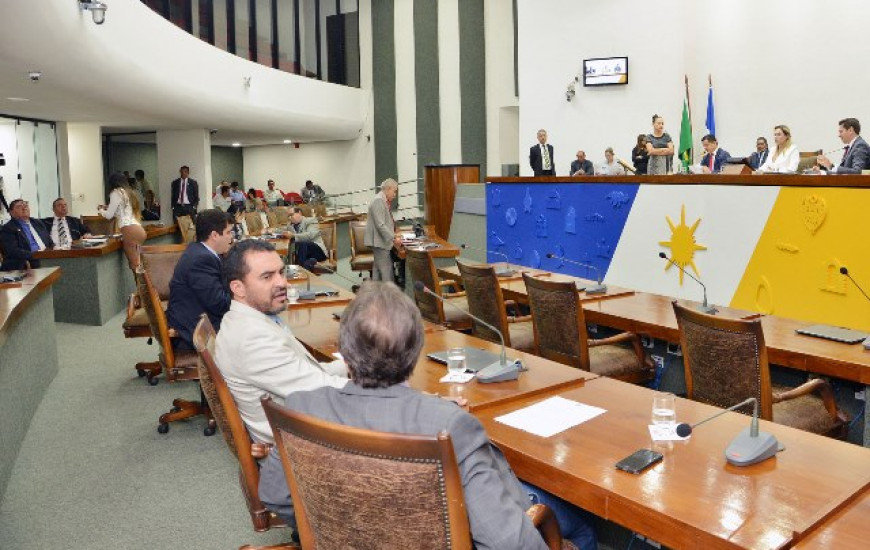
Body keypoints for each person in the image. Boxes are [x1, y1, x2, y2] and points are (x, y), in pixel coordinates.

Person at [284, 282, 598, 550]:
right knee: (583, 529)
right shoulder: (450, 427)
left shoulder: (299, 407)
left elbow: (276, 496)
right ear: (416, 350)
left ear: (343, 351)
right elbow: (509, 542)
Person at [214, 239, 349, 523]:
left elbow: (306, 376)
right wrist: (394, 390)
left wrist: (350, 366)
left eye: (280, 273)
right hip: (301, 453)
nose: (282, 283)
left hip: (299, 428)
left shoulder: (254, 320)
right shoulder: (252, 338)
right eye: (267, 277)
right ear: (237, 288)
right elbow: (325, 393)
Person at [165, 209, 233, 351]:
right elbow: (220, 304)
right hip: (198, 332)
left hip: (201, 318)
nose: (231, 238)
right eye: (228, 232)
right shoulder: (201, 259)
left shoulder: (201, 251)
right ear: (214, 235)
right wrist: (246, 294)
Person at [99, 172, 146, 269]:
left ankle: (146, 284)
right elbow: (121, 211)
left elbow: (109, 215)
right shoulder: (128, 192)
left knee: (135, 266)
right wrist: (107, 207)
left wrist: (101, 210)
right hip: (138, 229)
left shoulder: (115, 193)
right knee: (138, 265)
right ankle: (146, 284)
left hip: (129, 231)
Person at [364, 178, 402, 283]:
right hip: (379, 242)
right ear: (388, 189)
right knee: (387, 273)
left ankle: (375, 295)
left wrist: (394, 231)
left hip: (380, 241)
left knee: (377, 272)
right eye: (394, 191)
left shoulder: (382, 200)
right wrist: (394, 238)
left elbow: (384, 222)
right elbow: (380, 224)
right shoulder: (378, 200)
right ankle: (389, 297)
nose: (395, 194)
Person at [0, 199, 52, 271]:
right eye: (19, 206)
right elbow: (13, 251)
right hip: (26, 263)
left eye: (25, 205)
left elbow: (49, 241)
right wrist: (35, 255)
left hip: (47, 258)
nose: (24, 208)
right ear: (11, 213)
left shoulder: (37, 223)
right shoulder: (8, 228)